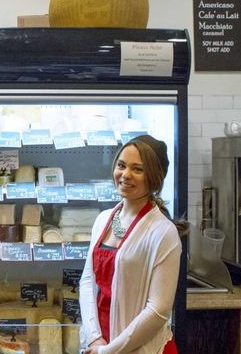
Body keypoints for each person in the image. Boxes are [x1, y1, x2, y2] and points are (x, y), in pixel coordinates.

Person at [79, 134, 184, 354]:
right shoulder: (103, 219)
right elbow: (88, 282)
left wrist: (108, 351)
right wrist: (94, 339)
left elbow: (158, 311)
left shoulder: (163, 232)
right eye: (121, 165)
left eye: (137, 169)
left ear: (154, 177)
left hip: (141, 348)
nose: (125, 175)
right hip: (100, 343)